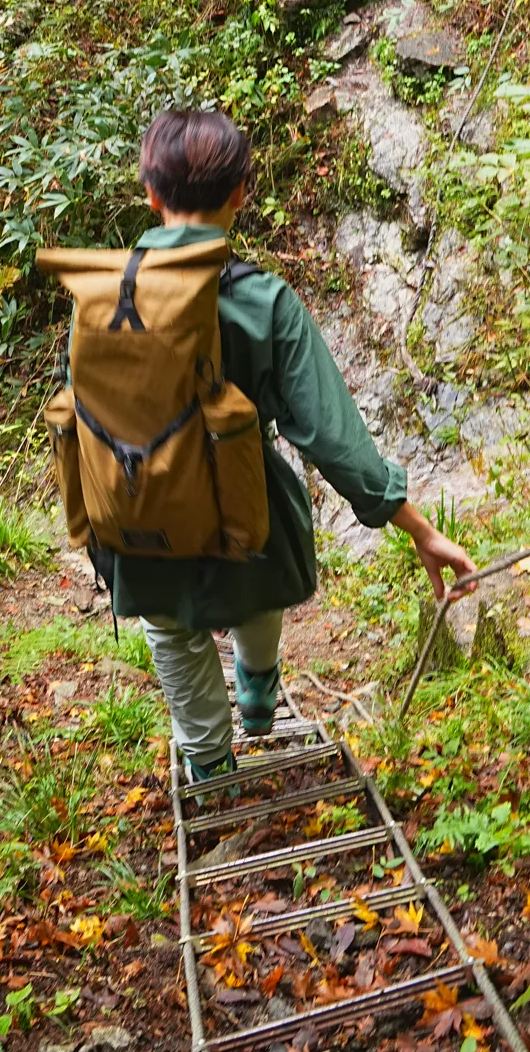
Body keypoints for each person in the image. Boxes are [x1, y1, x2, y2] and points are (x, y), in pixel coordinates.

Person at [112, 103, 477, 780]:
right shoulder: (265, 304)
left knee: (171, 631)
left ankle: (209, 765)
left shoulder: (100, 299)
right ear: (242, 194)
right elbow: (332, 439)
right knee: (259, 574)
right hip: (246, 524)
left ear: (149, 192)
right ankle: (256, 688)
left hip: (140, 530)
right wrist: (418, 527)